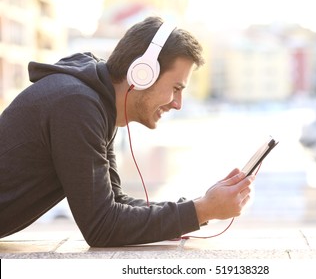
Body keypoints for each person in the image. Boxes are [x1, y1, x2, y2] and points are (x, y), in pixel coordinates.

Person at [0, 16, 253, 247]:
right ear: (142, 73)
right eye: (176, 88)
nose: (178, 103)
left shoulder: (96, 101)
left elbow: (115, 203)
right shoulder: (77, 105)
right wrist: (202, 210)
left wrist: (200, 205)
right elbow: (102, 226)